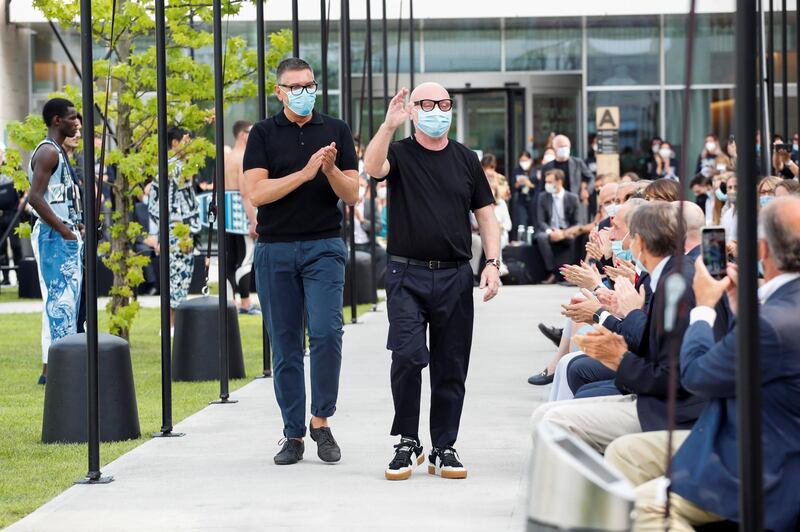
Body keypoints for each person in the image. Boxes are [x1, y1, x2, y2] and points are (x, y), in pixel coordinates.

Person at [605, 196, 800, 531]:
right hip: (750, 431)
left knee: (648, 508)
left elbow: (696, 375)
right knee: (626, 454)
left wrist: (705, 309)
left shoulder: (772, 320)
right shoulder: (777, 309)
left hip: (766, 459)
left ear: (763, 251)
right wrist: (740, 312)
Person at [363, 82, 500, 481]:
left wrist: (491, 262)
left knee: (451, 362)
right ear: (414, 110)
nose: (438, 110)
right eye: (428, 104)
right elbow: (373, 169)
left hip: (456, 273)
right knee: (407, 356)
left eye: (444, 104)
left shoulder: (465, 159)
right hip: (406, 272)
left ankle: (444, 446)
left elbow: (486, 215)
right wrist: (388, 126)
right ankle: (408, 440)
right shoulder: (401, 153)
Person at [243, 57, 359, 466]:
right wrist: (305, 173)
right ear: (280, 92)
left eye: (309, 85)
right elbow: (256, 193)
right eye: (295, 87)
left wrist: (328, 171)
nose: (304, 92)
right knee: (285, 343)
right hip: (275, 248)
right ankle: (292, 433)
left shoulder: (336, 130)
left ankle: (321, 422)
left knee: (327, 332)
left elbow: (352, 194)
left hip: (324, 245)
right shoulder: (262, 133)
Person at [531, 202, 704, 453]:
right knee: (548, 413)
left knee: (550, 420)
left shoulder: (674, 283)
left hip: (671, 412)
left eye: (624, 233)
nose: (615, 239)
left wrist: (618, 357)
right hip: (664, 401)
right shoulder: (671, 275)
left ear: (640, 242)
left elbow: (668, 376)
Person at [27, 98, 83, 385]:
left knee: (67, 303)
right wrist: (64, 230)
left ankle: (56, 369)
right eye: (73, 117)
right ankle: (61, 371)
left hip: (64, 234)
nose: (77, 122)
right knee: (60, 302)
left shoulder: (60, 152)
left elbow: (56, 197)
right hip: (54, 237)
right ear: (57, 120)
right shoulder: (48, 152)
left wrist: (76, 223)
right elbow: (34, 198)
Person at [144, 127, 200, 332]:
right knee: (177, 276)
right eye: (187, 140)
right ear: (175, 143)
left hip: (181, 228)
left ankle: (173, 324)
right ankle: (170, 325)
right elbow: (158, 203)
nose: (190, 145)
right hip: (177, 228)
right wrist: (157, 233)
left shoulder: (179, 167)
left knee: (180, 275)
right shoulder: (171, 168)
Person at [224, 119, 260, 315]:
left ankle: (231, 302)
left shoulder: (227, 157)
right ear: (243, 134)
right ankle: (246, 302)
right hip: (240, 215)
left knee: (230, 260)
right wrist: (254, 220)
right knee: (245, 259)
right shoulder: (243, 157)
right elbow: (245, 193)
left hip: (226, 215)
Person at [534, 168, 581, 284]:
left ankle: (572, 273)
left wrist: (564, 233)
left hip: (567, 231)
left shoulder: (572, 198)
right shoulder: (543, 197)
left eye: (550, 182)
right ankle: (553, 272)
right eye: (546, 182)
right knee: (541, 237)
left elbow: (578, 222)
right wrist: (550, 232)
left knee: (576, 238)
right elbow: (540, 221)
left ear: (559, 182)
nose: (547, 185)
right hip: (550, 231)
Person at [540, 134, 595, 223]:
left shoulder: (578, 163)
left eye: (566, 146)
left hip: (574, 202)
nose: (564, 148)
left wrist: (586, 191)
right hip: (554, 204)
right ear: (554, 148)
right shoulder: (547, 167)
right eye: (561, 146)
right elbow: (542, 188)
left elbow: (591, 178)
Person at [0, 141, 23, 286]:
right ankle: (6, 278)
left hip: (13, 213)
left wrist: (22, 202)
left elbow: (26, 186)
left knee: (16, 245)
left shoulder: (13, 168)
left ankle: (21, 278)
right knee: (1, 247)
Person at [509, 150, 539, 230]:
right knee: (521, 223)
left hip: (533, 199)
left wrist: (530, 184)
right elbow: (512, 188)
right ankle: (522, 238)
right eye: (521, 160)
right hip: (521, 199)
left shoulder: (535, 170)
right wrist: (518, 184)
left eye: (525, 160)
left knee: (532, 223)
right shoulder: (517, 171)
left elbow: (539, 186)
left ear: (530, 160)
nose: (523, 162)